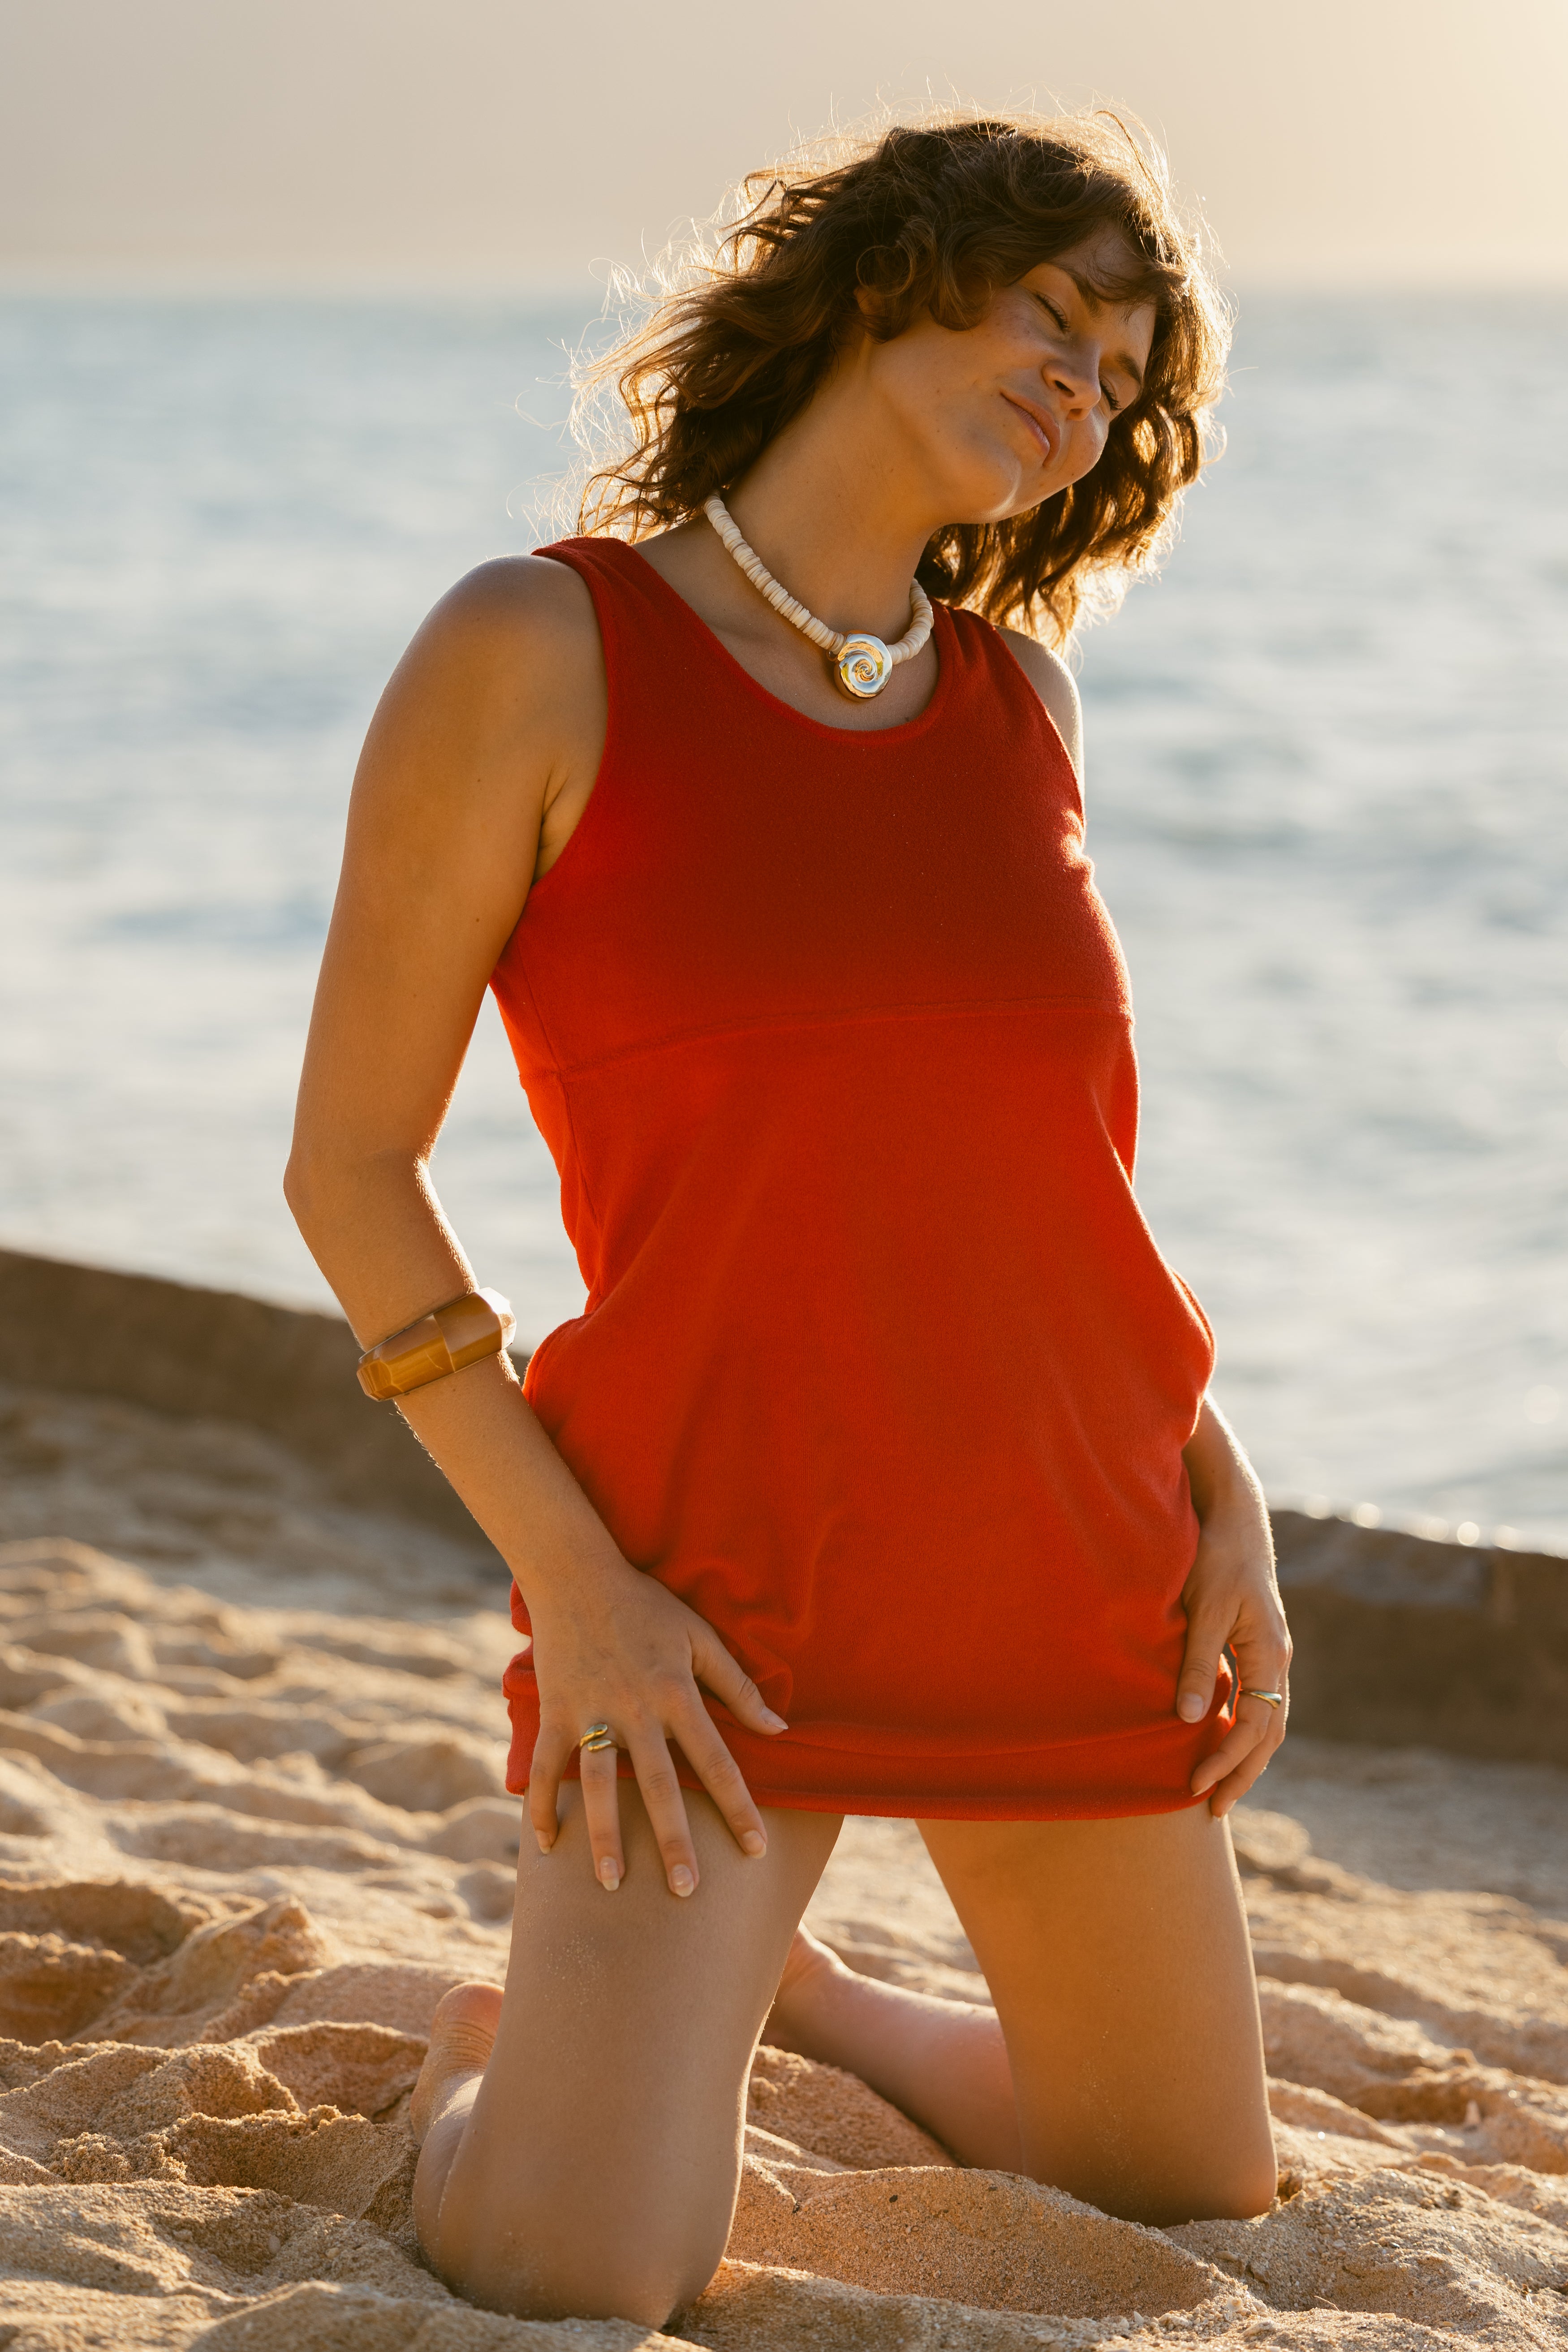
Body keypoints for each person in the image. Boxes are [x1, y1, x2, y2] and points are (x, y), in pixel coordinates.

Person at [285, 110, 1291, 2331]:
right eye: (1052, 312)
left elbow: (1038, 1175)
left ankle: (821, 2010)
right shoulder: (538, 643)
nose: (1083, 385)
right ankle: (497, 2080)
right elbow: (347, 1165)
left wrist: (1217, 1488)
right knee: (576, 2266)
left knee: (1189, 2187)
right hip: (700, 1595)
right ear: (875, 278)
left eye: (1123, 372)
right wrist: (584, 1594)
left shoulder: (1018, 701)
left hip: (1068, 1552)